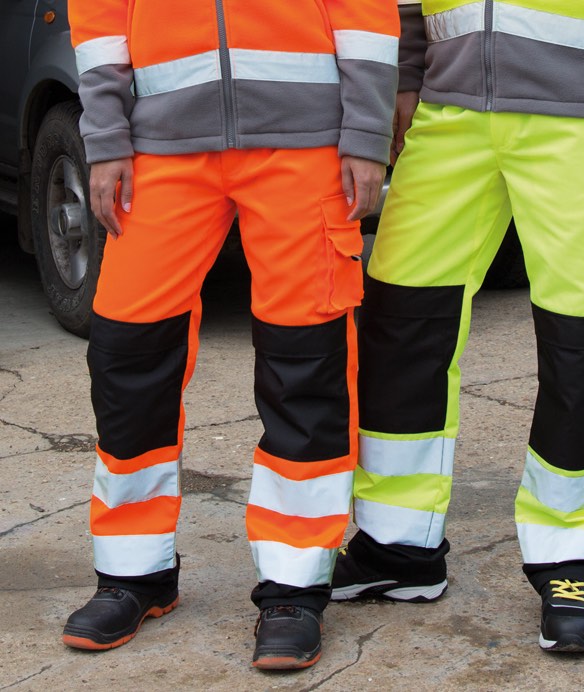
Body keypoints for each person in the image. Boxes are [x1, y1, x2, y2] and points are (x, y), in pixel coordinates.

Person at [331, 0, 584, 653]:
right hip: (449, 114)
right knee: (400, 323)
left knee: (580, 340)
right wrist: (406, 75)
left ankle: (569, 556)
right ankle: (397, 546)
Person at [61, 0, 399, 670]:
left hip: (304, 146)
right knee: (127, 351)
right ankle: (134, 573)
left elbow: (365, 15)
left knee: (306, 362)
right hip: (159, 149)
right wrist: (107, 139)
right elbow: (99, 23)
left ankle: (295, 585)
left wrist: (365, 133)